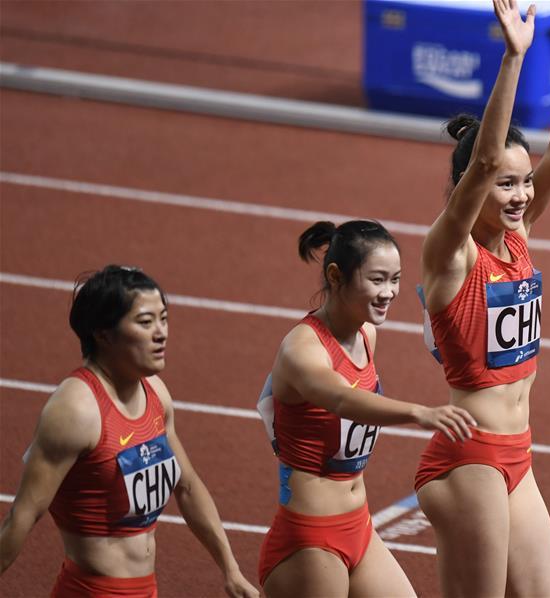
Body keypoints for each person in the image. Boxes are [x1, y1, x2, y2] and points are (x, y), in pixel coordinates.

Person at [413, 0, 550, 595]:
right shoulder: (450, 254)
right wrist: (513, 56)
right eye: (506, 184)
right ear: (465, 191)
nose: (521, 194)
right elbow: (482, 160)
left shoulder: (518, 237)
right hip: (468, 457)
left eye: (524, 181)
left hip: (517, 454)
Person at [0, 265, 258, 597]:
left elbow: (188, 486)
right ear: (103, 333)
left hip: (145, 589)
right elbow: (21, 517)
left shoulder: (155, 392)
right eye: (145, 322)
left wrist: (231, 569)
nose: (161, 333)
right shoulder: (76, 409)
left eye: (163, 319)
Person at [255, 220, 476, 598]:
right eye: (377, 279)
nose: (388, 292)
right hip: (311, 535)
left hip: (358, 524)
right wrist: (417, 413)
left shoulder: (365, 334)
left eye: (395, 279)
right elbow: (341, 399)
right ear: (336, 276)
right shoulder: (301, 349)